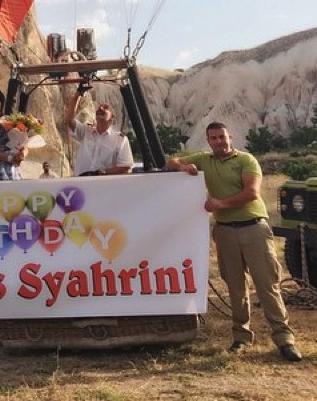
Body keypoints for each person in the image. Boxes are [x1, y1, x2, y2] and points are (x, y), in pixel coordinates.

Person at [166, 122, 302, 362]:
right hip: (225, 232)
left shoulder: (246, 160)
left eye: (222, 137)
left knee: (266, 284)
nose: (219, 141)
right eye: (214, 138)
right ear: (208, 141)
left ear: (230, 136)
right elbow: (171, 162)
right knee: (235, 286)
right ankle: (240, 337)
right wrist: (184, 166)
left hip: (253, 228)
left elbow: (252, 193)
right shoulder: (206, 160)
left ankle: (284, 338)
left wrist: (219, 204)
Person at [65, 86, 133, 177]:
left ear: (112, 117)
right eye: (99, 107)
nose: (100, 109)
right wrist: (78, 94)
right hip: (81, 183)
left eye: (105, 108)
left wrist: (101, 173)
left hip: (103, 186)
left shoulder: (120, 140)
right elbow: (69, 119)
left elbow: (126, 167)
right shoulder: (86, 131)